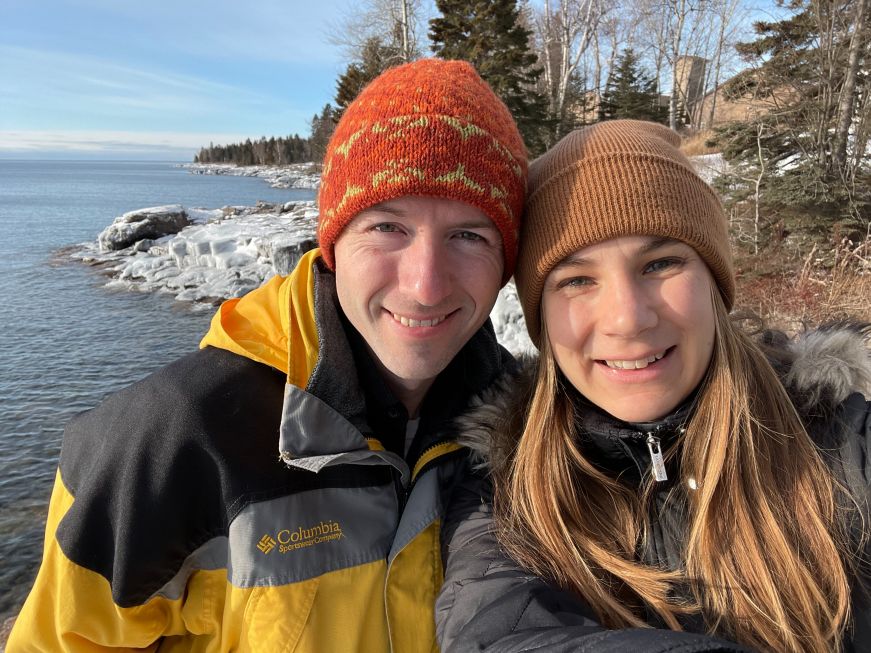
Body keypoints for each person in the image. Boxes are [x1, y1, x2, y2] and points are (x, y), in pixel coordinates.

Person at [8, 58, 528, 652]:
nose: (425, 285)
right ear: (333, 243)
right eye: (387, 227)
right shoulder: (168, 440)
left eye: (469, 235)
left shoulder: (528, 431)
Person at [436, 120, 871, 653]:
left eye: (660, 263)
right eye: (577, 280)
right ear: (541, 318)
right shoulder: (504, 486)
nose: (628, 318)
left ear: (713, 282)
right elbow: (500, 631)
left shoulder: (845, 447)